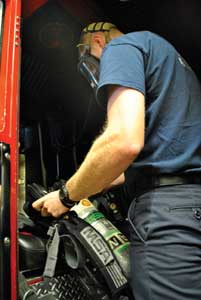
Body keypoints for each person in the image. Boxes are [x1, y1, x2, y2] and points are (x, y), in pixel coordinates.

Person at [33, 22, 201, 300]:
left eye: (85, 59)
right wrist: (84, 187)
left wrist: (65, 196)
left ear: (96, 42)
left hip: (168, 214)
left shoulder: (121, 47)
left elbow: (123, 141)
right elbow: (135, 165)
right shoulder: (173, 63)